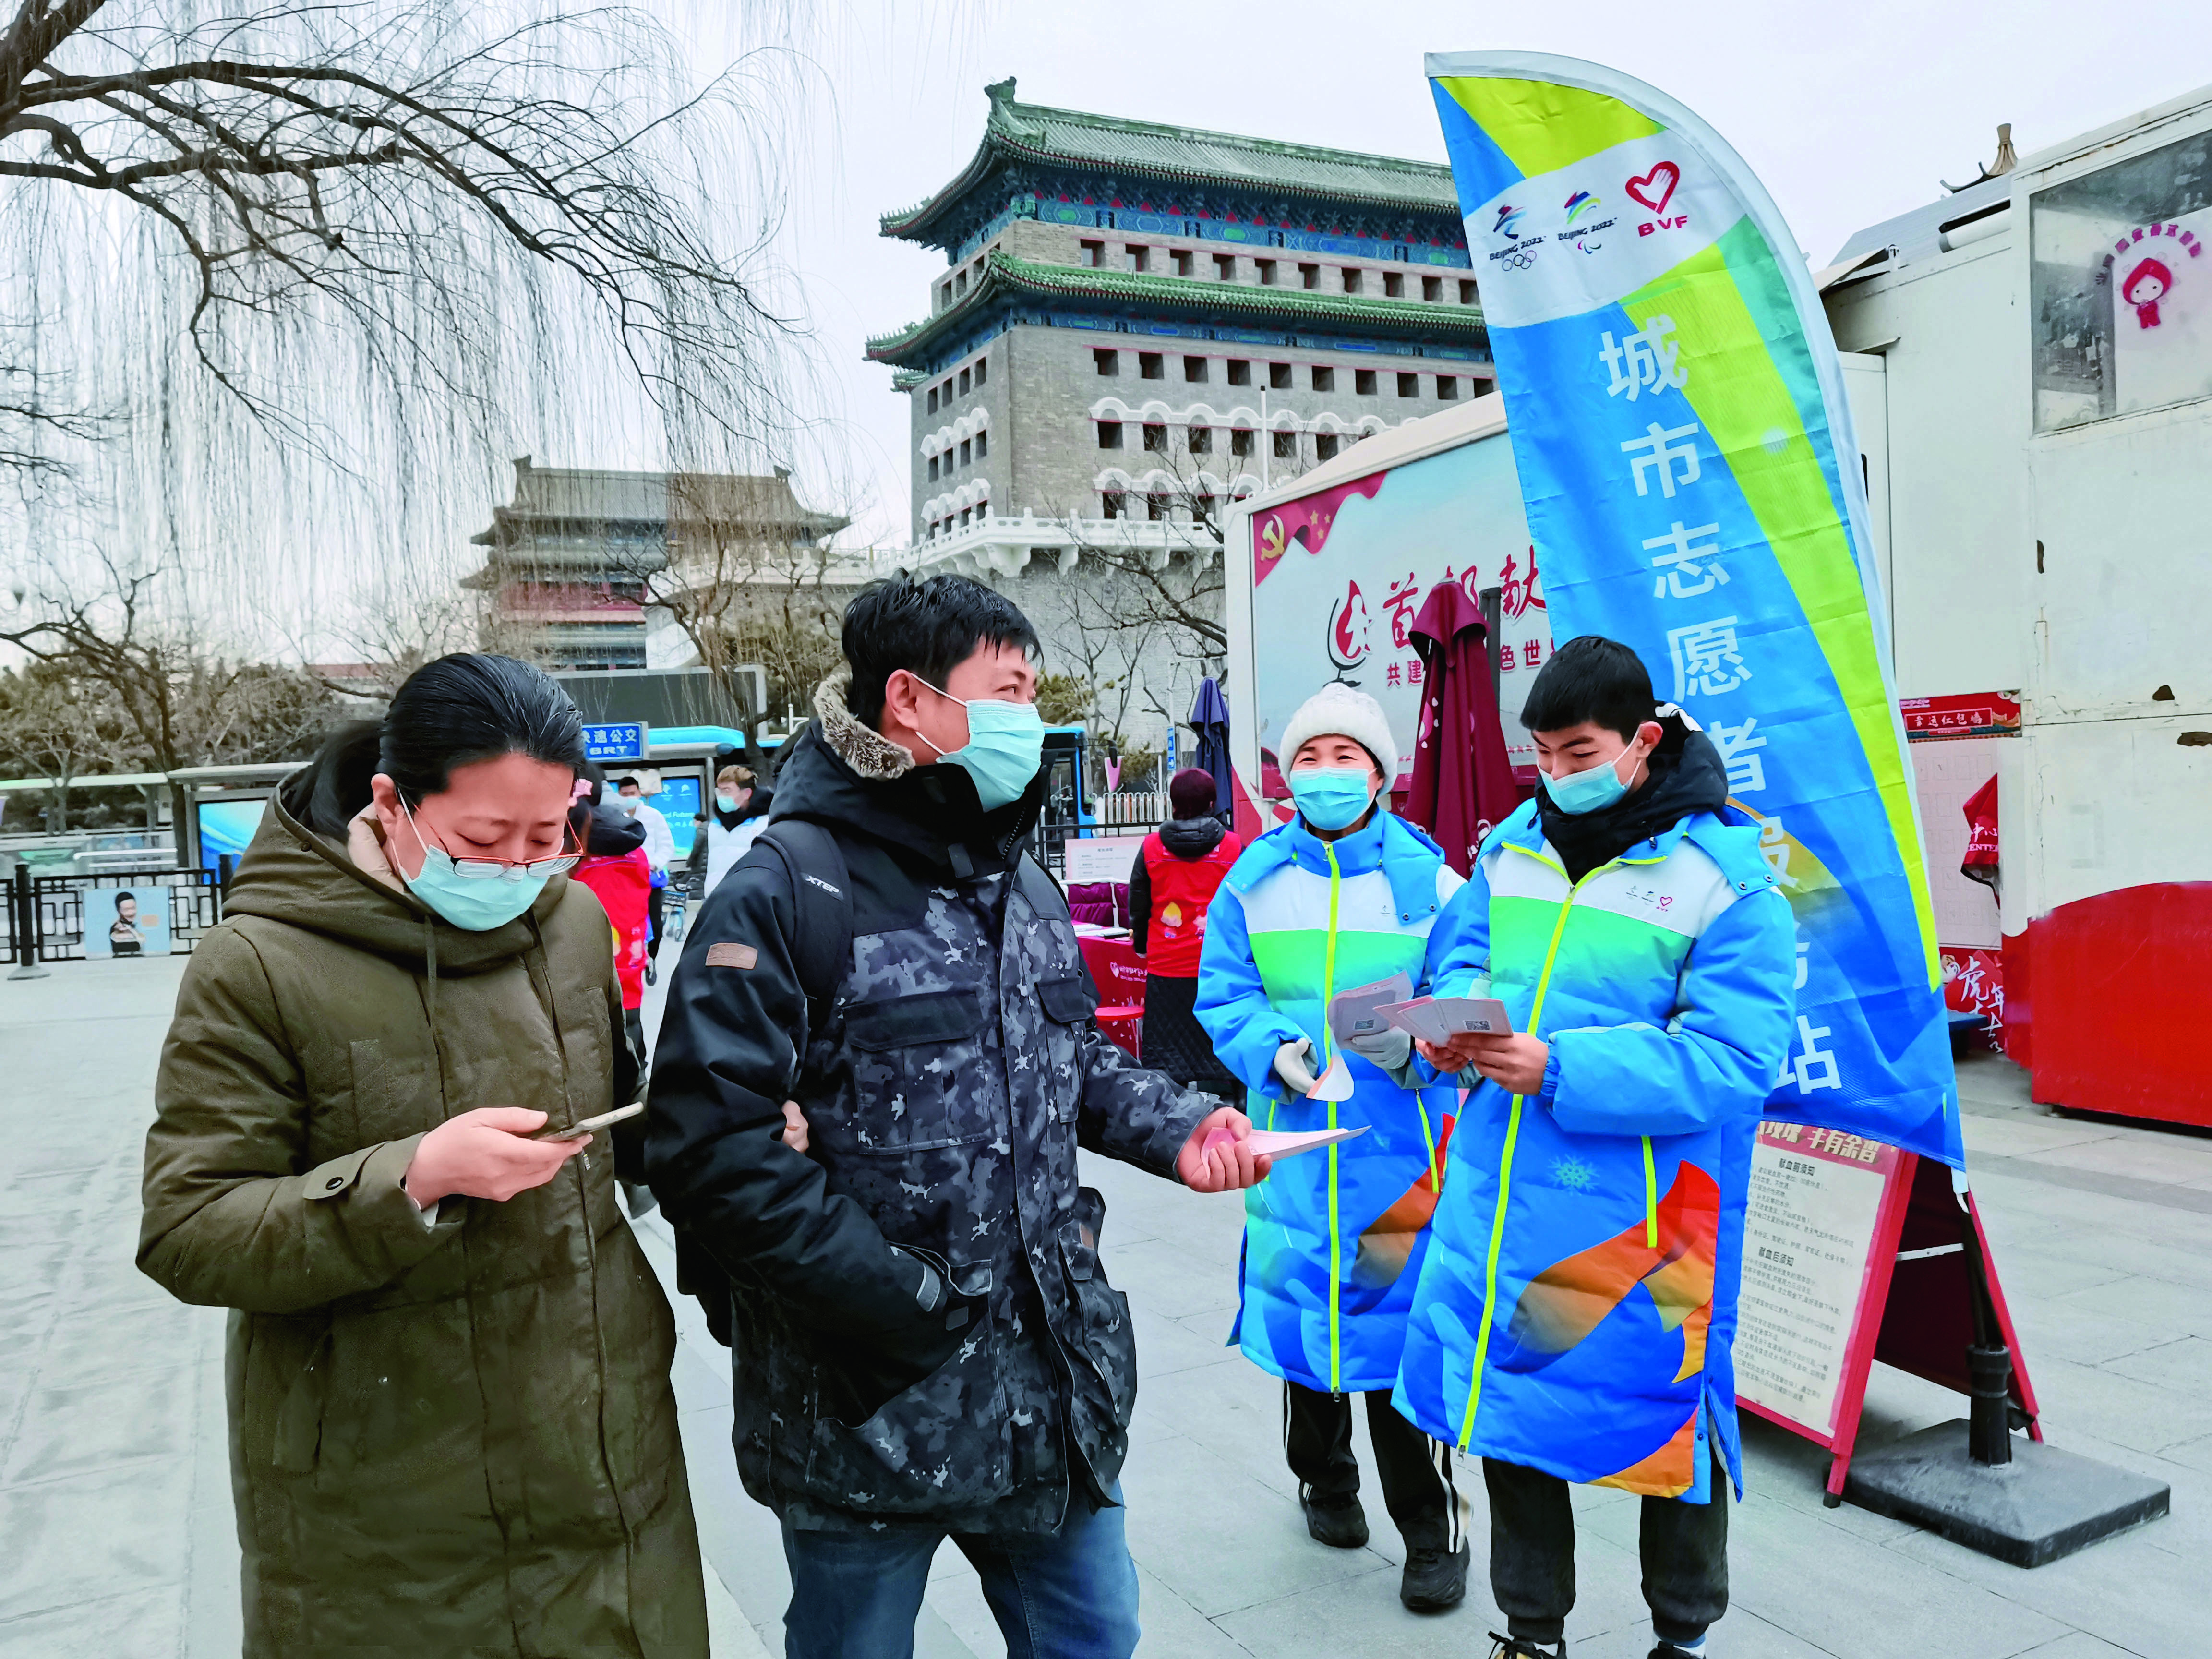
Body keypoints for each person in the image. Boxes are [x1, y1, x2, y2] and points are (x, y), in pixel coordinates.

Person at [645, 572, 1271, 1659]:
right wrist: (903, 1302)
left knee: (1092, 1636)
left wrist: (1182, 1124)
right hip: (866, 1410)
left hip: (1047, 1398)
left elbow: (1065, 1054)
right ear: (911, 699)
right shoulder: (788, 887)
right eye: (1011, 685)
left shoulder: (1015, 879)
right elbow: (709, 1144)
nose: (1029, 712)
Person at [138, 653, 707, 1658]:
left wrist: (725, 1124)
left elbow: (620, 1121)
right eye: (484, 839)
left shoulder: (572, 922)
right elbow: (189, 1231)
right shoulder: (258, 965)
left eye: (549, 837)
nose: (520, 868)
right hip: (387, 1496)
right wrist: (412, 1180)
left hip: (604, 1457)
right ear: (390, 803)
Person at [1392, 637, 1796, 1659]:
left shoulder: (1728, 883)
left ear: (1642, 743)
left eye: (1578, 753)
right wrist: (1455, 1027)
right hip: (1500, 1195)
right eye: (1542, 755)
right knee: (1510, 1410)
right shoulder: (1510, 847)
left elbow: (1733, 1061)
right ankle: (1531, 1630)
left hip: (1649, 1215)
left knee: (1668, 1420)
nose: (1556, 776)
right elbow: (1467, 951)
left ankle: (1684, 1635)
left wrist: (1560, 1068)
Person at [1193, 682, 1473, 1612]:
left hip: (1403, 1157)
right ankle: (1323, 1480)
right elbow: (1223, 992)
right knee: (1303, 1336)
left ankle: (1431, 1534)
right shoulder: (1252, 879)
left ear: (1381, 774)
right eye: (1306, 758)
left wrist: (1424, 1046)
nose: (1323, 774)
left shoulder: (1433, 883)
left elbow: (1473, 989)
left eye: (1344, 756)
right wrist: (1271, 1048)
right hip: (1292, 1151)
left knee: (1398, 1353)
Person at [1126, 767, 1244, 1100]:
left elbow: (1138, 901)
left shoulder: (1151, 848)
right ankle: (1226, 1109)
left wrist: (1141, 945)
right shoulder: (1234, 847)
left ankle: (1172, 1115)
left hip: (1167, 966)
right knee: (1217, 1042)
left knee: (1168, 1048)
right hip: (1219, 964)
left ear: (1172, 803)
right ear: (1211, 803)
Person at [571, 772, 654, 1060]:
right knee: (632, 1018)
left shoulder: (580, 860)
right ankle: (639, 1073)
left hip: (591, 954)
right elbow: (646, 895)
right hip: (631, 948)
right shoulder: (636, 854)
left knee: (596, 1025)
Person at [615, 773, 677, 981]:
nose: (629, 797)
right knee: (629, 924)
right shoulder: (614, 817)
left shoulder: (653, 816)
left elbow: (667, 845)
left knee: (656, 926)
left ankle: (651, 958)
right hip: (625, 882)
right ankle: (632, 964)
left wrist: (654, 864)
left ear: (639, 793)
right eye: (624, 794)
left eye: (632, 793)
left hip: (651, 880)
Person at [701, 761, 769, 897]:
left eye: (727, 791)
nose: (721, 797)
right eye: (719, 791)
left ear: (747, 793)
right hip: (716, 900)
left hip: (749, 900)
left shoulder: (765, 824)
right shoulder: (716, 826)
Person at [109, 890, 146, 957]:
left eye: (133, 908)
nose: (131, 913)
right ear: (118, 911)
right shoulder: (119, 929)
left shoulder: (131, 927)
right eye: (126, 910)